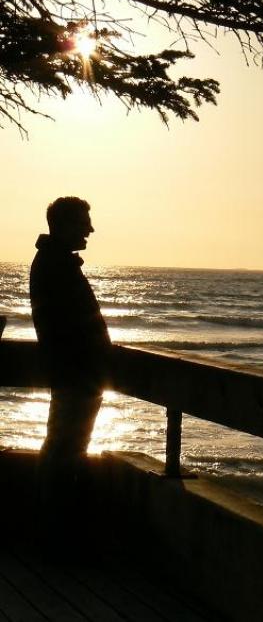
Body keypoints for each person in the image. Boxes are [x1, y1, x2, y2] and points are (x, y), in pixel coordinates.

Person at [30, 197, 111, 543]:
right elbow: (70, 327)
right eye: (83, 222)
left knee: (62, 451)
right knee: (65, 453)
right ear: (64, 225)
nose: (90, 229)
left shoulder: (54, 262)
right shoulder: (56, 265)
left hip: (74, 375)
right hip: (75, 377)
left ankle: (54, 533)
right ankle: (56, 535)